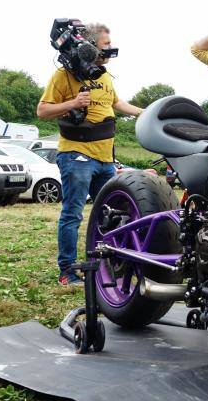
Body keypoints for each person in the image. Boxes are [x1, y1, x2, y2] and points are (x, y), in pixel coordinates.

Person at [36, 23, 144, 286]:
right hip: (76, 155)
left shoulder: (104, 76)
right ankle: (68, 272)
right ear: (90, 46)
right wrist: (73, 103)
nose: (110, 48)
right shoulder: (63, 75)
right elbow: (42, 110)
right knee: (73, 213)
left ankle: (106, 266)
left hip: (105, 158)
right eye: (106, 44)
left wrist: (146, 113)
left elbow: (116, 103)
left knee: (109, 213)